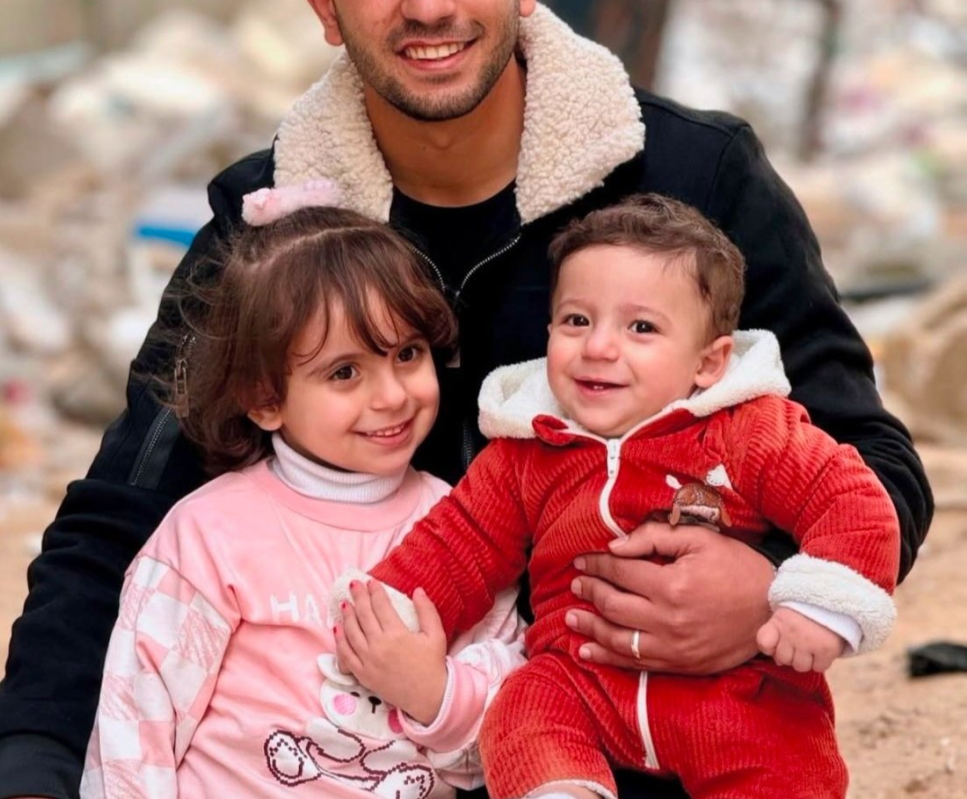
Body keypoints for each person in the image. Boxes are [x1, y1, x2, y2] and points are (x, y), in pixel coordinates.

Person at [0, 0, 930, 799]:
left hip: (650, 748)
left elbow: (869, 459)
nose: (427, 2)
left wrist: (766, 579)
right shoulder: (273, 229)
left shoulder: (696, 179)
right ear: (323, 2)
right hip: (347, 760)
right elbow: (123, 515)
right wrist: (33, 763)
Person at [335, 194, 900, 799]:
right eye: (577, 321)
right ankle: (559, 789)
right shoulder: (529, 450)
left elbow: (850, 500)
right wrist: (390, 608)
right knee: (522, 708)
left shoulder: (748, 431)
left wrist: (818, 609)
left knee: (787, 752)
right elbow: (461, 541)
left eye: (641, 328)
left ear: (709, 363)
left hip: (737, 684)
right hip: (584, 674)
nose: (599, 347)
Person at [79, 192, 525, 799]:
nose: (392, 395)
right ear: (265, 399)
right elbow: (136, 728)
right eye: (345, 372)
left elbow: (511, 732)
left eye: (408, 354)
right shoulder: (211, 534)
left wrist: (434, 693)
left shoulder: (462, 524)